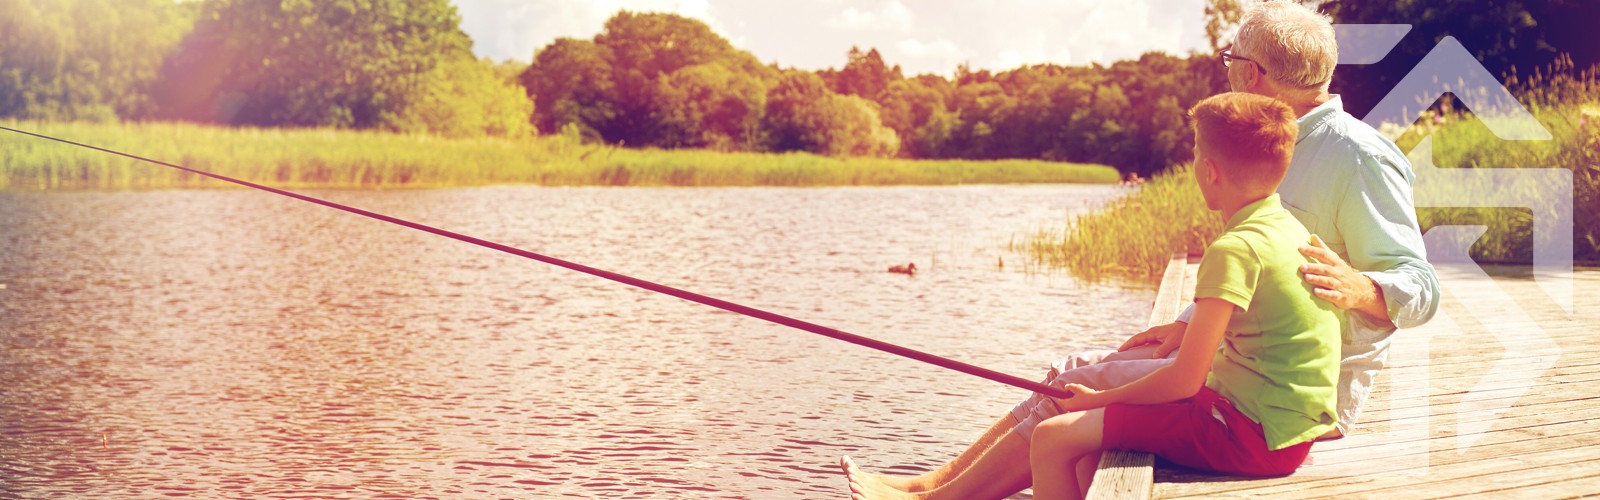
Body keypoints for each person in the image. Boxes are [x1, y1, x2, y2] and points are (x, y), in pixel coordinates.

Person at [842, 0, 1440, 495]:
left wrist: (1362, 287)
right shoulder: (1265, 142)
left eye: (1231, 59)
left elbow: (1423, 288)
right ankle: (934, 486)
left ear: (1252, 74)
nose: (1225, 69)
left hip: (1288, 393)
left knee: (1074, 389)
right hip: (1238, 361)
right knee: (1072, 370)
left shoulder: (1357, 156)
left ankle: (941, 496)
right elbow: (1257, 274)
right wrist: (1184, 324)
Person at [844, 91, 1341, 499]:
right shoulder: (1286, 226)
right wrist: (1100, 398)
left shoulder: (1236, 247)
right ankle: (936, 491)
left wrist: (1100, 400)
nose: (1192, 165)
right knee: (1072, 408)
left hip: (1248, 434)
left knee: (1056, 435)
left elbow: (1185, 381)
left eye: (1193, 154)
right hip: (1273, 424)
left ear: (1210, 170)